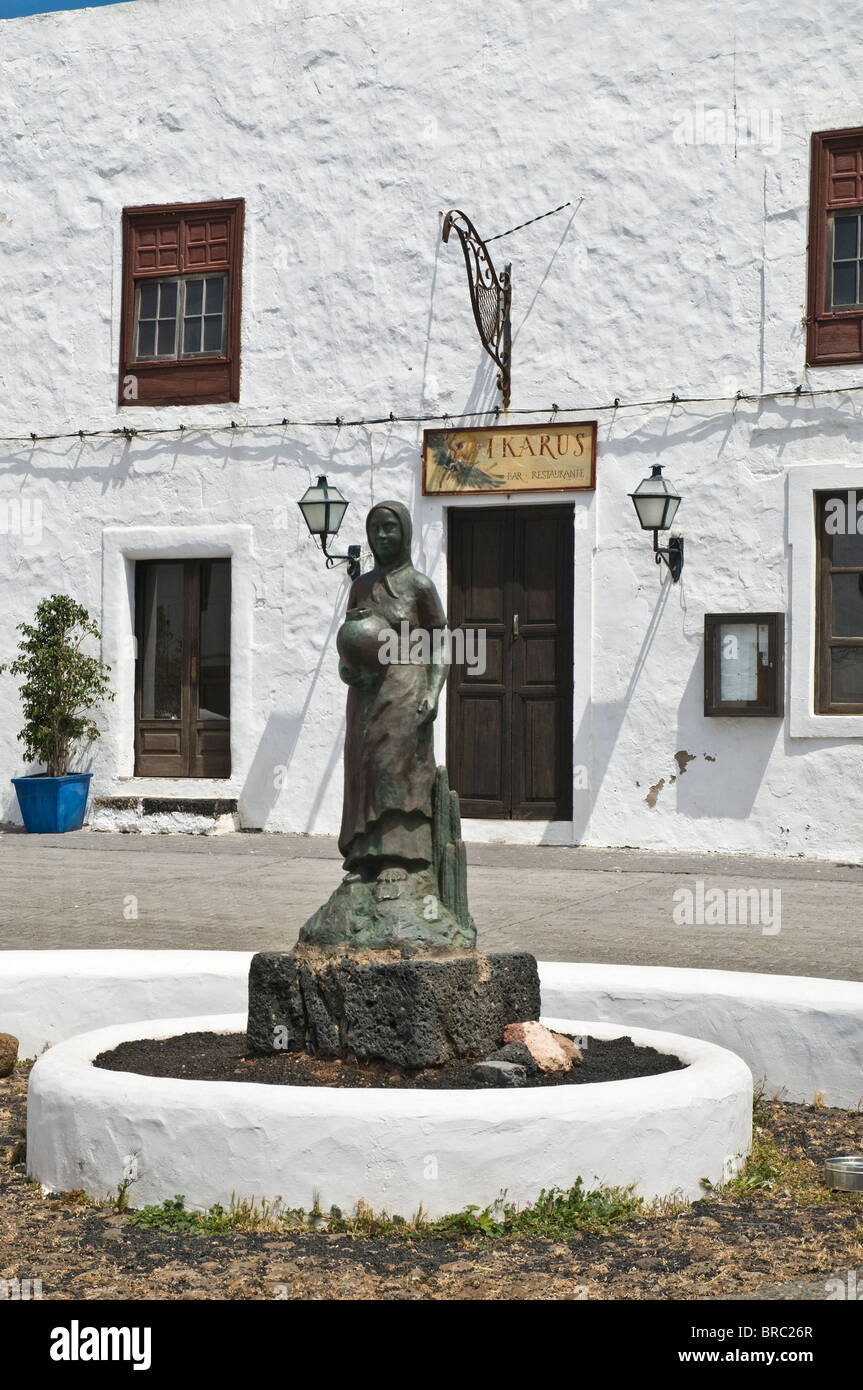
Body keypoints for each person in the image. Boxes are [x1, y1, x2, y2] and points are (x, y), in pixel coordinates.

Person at [336, 500, 448, 878]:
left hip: (406, 690)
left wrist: (434, 690)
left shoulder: (419, 586)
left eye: (390, 528)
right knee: (363, 769)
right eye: (376, 529)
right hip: (365, 696)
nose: (382, 536)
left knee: (396, 769)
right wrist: (347, 671)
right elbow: (348, 640)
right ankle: (365, 856)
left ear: (405, 533)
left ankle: (401, 857)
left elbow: (440, 642)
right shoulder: (361, 586)